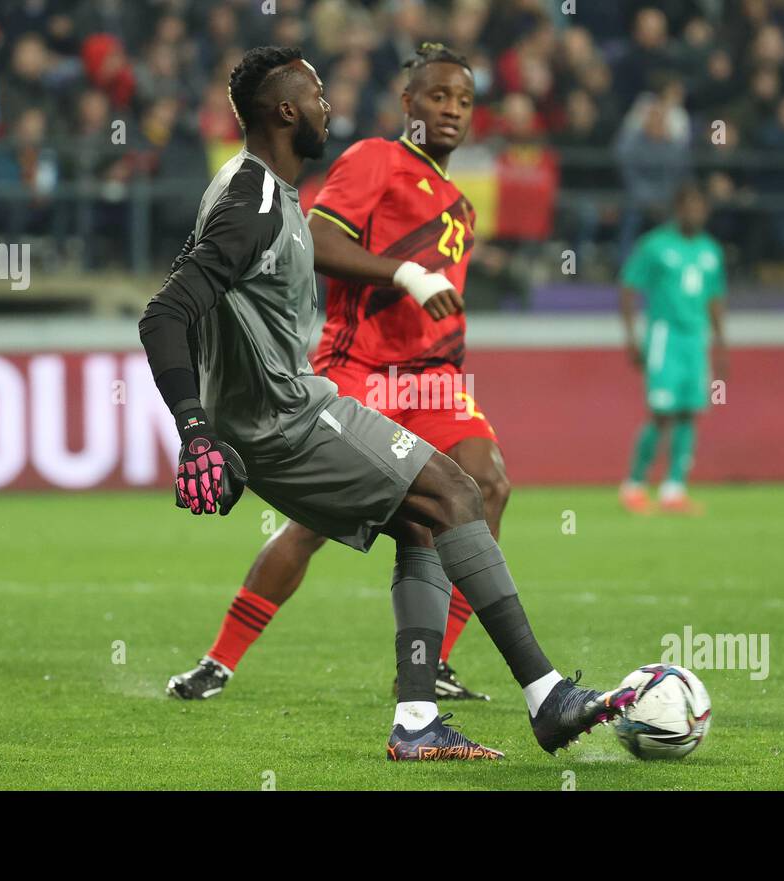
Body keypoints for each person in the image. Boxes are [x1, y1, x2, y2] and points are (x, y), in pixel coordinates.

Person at [138, 46, 636, 760]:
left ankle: (415, 721)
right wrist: (194, 430)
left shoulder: (256, 191)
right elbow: (164, 315)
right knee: (458, 493)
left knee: (426, 521)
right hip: (292, 416)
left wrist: (212, 428)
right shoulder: (252, 199)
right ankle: (547, 695)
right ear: (285, 111)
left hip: (276, 416)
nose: (326, 106)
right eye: (314, 94)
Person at [166, 43, 503, 704]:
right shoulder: (376, 159)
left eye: (463, 101)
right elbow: (318, 238)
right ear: (408, 104)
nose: (451, 111)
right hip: (360, 367)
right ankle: (220, 660)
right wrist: (405, 273)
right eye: (437, 96)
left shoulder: (461, 208)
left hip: (431, 379)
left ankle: (433, 663)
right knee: (311, 524)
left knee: (488, 484)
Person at [619, 181, 727, 515]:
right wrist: (633, 338)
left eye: (700, 207)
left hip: (696, 339)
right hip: (665, 336)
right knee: (662, 414)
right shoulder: (655, 246)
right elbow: (628, 288)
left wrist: (721, 344)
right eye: (689, 207)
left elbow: (714, 298)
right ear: (678, 209)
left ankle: (674, 489)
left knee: (689, 412)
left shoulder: (711, 250)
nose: (695, 213)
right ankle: (634, 485)